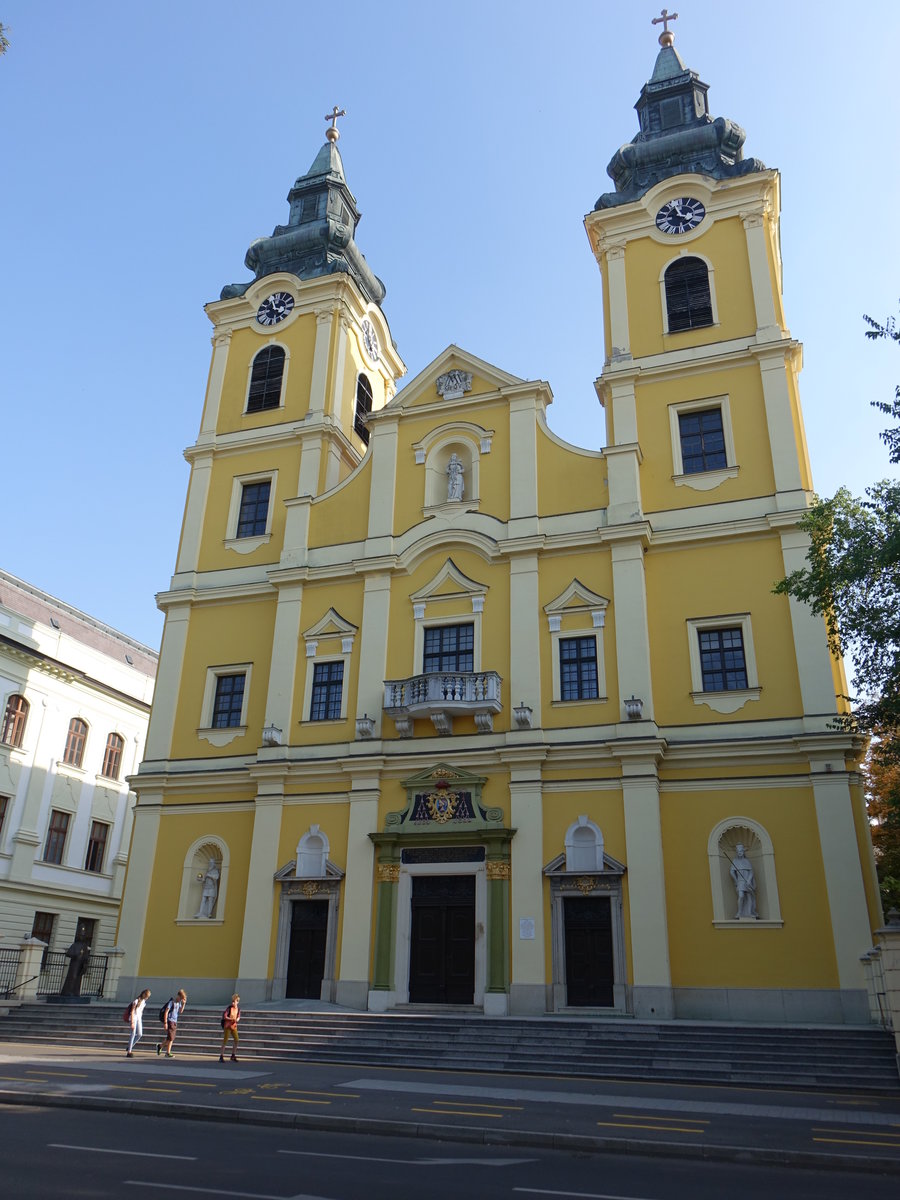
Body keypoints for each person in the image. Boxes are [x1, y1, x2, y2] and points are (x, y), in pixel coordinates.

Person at [729, 843, 758, 919]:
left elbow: (751, 872)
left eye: (741, 851)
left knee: (749, 896)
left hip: (747, 881)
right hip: (740, 881)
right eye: (738, 851)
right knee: (741, 896)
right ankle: (739, 912)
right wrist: (736, 880)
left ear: (743, 852)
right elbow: (732, 872)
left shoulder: (746, 861)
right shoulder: (735, 861)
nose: (740, 853)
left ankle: (750, 912)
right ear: (737, 852)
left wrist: (748, 880)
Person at [157, 988, 187, 1058]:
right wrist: (165, 1023)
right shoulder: (171, 1002)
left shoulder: (178, 1003)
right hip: (170, 1021)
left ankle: (161, 1047)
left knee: (170, 1038)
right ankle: (167, 1052)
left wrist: (183, 1004)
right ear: (178, 996)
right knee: (171, 1037)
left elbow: (180, 1011)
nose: (180, 1000)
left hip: (174, 1021)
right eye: (181, 998)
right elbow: (166, 1012)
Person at [126, 988, 151, 1057]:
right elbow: (132, 1011)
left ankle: (129, 1046)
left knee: (140, 1034)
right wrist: (132, 1022)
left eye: (148, 997)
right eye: (147, 996)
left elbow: (141, 1011)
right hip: (134, 1018)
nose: (147, 998)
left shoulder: (143, 1002)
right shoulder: (136, 1001)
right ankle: (129, 1052)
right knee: (133, 1034)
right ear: (143, 994)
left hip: (139, 1019)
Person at [219, 993, 241, 1063]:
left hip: (233, 1026)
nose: (233, 1003)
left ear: (237, 1002)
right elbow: (225, 1016)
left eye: (234, 1001)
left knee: (237, 1040)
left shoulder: (238, 1009)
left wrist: (237, 1020)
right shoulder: (229, 1008)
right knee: (225, 1040)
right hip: (227, 1026)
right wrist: (231, 1019)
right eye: (232, 1001)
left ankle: (233, 1055)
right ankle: (221, 1056)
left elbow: (238, 1017)